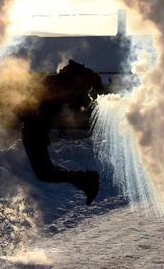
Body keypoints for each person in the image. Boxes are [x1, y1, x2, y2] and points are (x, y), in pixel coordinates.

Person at [20, 60, 104, 205]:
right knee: (46, 172)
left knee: (45, 173)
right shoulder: (63, 86)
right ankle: (85, 181)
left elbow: (34, 103)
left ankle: (86, 180)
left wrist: (22, 112)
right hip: (35, 131)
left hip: (35, 132)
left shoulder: (60, 85)